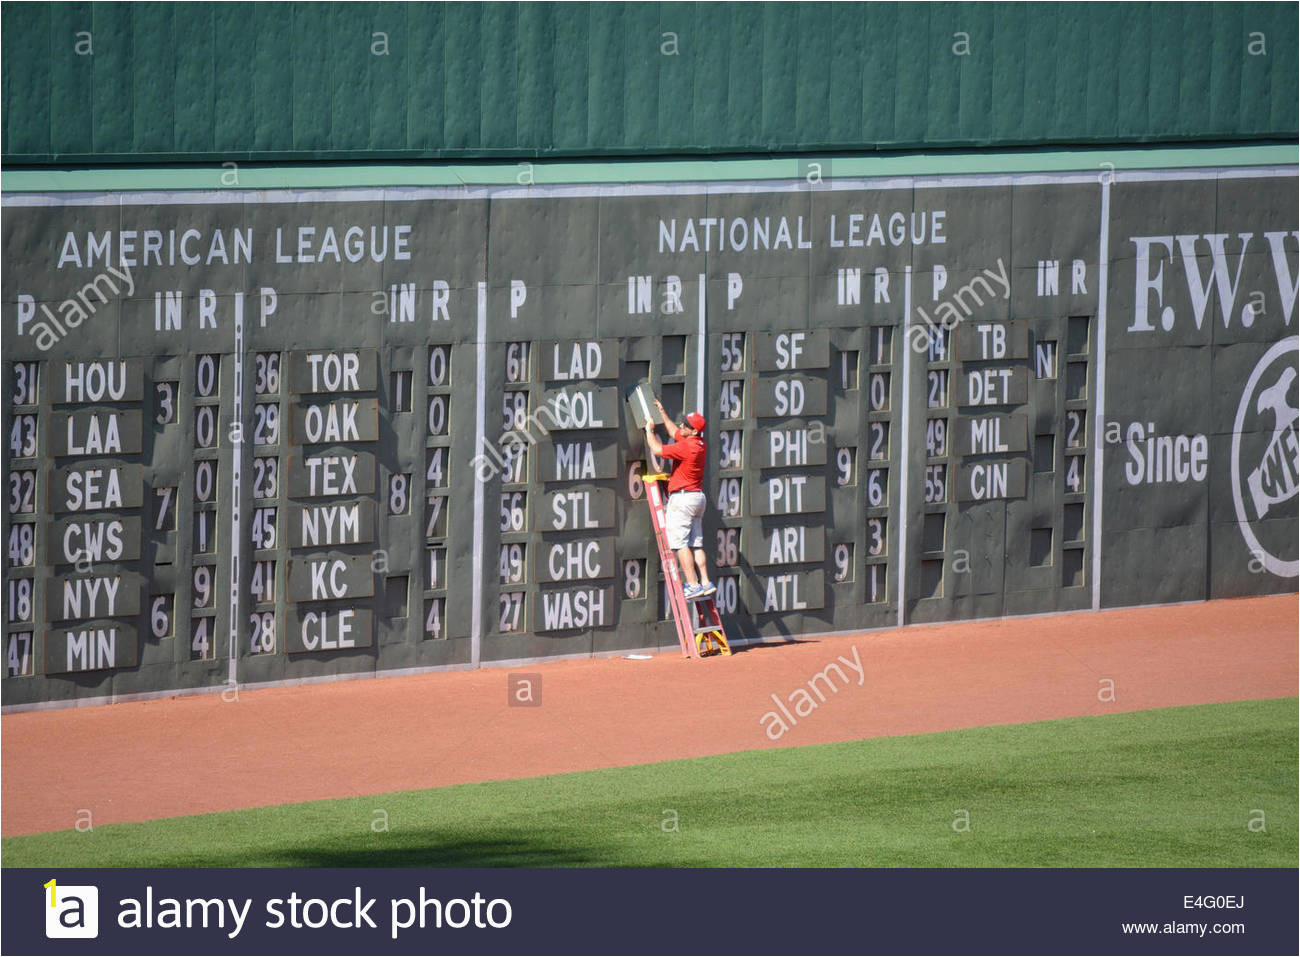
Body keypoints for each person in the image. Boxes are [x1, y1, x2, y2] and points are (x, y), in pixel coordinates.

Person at [643, 398, 715, 599]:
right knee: (697, 543)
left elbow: (657, 450)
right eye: (683, 422)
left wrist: (649, 430)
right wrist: (663, 413)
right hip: (698, 499)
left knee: (680, 544)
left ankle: (692, 585)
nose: (682, 425)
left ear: (693, 431)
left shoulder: (686, 448)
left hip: (683, 500)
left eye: (686, 425)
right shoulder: (699, 442)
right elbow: (675, 431)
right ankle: (706, 582)